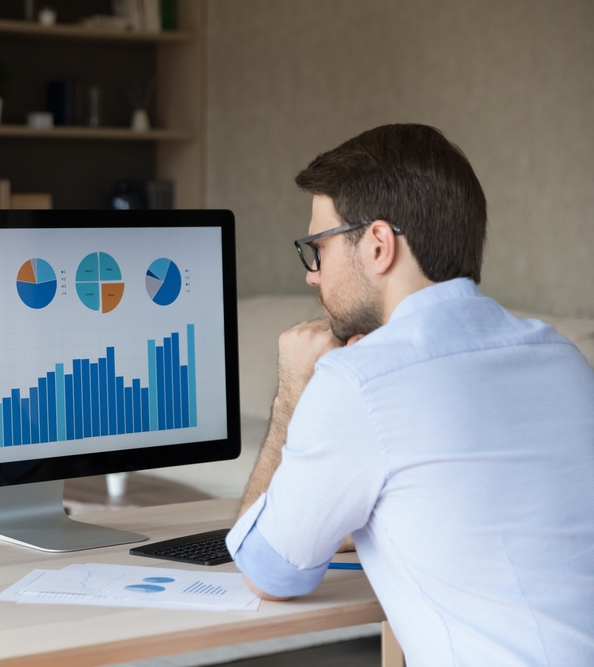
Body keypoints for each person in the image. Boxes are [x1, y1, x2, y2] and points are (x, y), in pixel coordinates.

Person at [226, 124, 594, 666]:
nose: (313, 276)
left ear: (377, 244)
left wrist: (291, 392)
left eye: (318, 249)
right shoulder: (562, 358)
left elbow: (268, 573)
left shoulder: (360, 380)